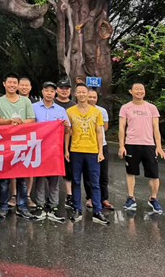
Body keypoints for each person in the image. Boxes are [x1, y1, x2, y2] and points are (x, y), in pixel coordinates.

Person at [0, 72, 36, 220]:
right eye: (9, 82)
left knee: (22, 178)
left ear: (17, 85)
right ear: (4, 84)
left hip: (22, 143)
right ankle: (3, 206)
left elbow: (31, 119)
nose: (12, 85)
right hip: (4, 143)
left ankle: (22, 206)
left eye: (14, 83)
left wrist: (21, 122)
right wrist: (10, 121)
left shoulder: (26, 101)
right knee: (4, 178)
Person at [65, 83, 110, 225]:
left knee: (95, 182)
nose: (82, 94)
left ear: (87, 93)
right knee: (76, 181)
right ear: (75, 94)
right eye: (79, 92)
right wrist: (66, 150)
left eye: (84, 92)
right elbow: (67, 132)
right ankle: (77, 208)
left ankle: (97, 211)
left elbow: (99, 132)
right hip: (76, 150)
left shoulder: (96, 112)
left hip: (92, 151)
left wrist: (100, 151)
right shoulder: (70, 111)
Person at [118, 82, 165, 214]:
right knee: (131, 172)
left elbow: (156, 128)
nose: (139, 91)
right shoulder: (125, 108)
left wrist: (159, 146)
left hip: (148, 145)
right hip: (131, 144)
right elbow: (122, 127)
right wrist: (121, 146)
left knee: (154, 174)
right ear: (131, 91)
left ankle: (153, 198)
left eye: (142, 89)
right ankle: (131, 198)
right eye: (136, 89)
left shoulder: (151, 108)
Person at [31, 81, 70, 222]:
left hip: (55, 149)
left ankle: (54, 206)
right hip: (38, 148)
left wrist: (66, 126)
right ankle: (40, 205)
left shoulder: (60, 110)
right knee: (40, 178)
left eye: (52, 91)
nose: (49, 93)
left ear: (55, 93)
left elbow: (67, 131)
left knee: (54, 178)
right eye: (46, 90)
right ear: (42, 91)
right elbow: (28, 126)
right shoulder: (34, 107)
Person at [84, 88, 114, 211]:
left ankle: (104, 198)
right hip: (87, 145)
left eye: (94, 97)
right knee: (88, 173)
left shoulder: (102, 111)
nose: (91, 99)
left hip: (102, 145)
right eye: (89, 97)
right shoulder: (82, 110)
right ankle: (90, 197)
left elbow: (104, 128)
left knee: (103, 173)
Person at [15, 76, 37, 209]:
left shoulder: (36, 103)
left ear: (30, 87)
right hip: (13, 140)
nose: (24, 87)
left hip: (30, 140)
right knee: (13, 167)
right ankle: (13, 195)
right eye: (21, 85)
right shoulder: (12, 100)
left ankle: (27, 195)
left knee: (29, 169)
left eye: (26, 85)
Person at [56, 79, 75, 208]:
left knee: (69, 170)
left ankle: (69, 195)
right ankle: (50, 196)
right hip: (52, 142)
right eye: (61, 88)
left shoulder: (74, 105)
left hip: (70, 142)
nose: (64, 91)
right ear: (57, 90)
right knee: (50, 171)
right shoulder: (51, 103)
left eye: (67, 88)